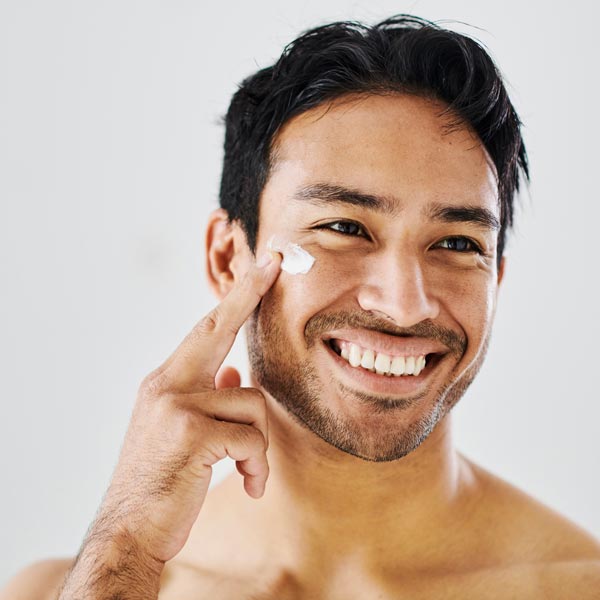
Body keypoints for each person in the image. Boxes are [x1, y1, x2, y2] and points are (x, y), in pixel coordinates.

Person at [3, 14, 600, 600]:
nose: (403, 304)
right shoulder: (86, 584)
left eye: (457, 243)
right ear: (227, 258)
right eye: (344, 226)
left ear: (496, 278)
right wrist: (125, 544)